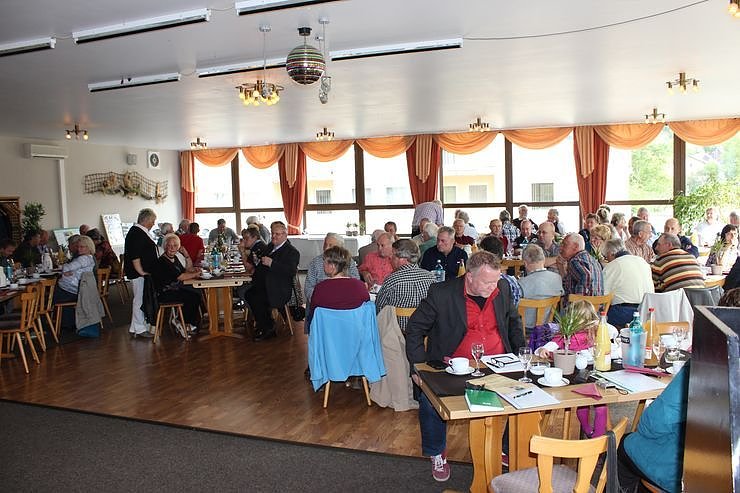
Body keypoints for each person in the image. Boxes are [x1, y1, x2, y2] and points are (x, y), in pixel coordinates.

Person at [406, 251, 524, 482]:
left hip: (498, 363)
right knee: (430, 401)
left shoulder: (503, 288)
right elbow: (415, 329)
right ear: (469, 276)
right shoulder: (442, 293)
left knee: (529, 396)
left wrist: (521, 355)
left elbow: (513, 322)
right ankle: (437, 452)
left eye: (496, 280)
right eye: (487, 282)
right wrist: (418, 368)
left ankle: (505, 448)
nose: (494, 286)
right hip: (455, 366)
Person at [534, 301, 618, 439]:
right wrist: (544, 349)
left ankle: (596, 437)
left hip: (591, 375)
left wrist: (601, 324)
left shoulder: (595, 331)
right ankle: (590, 432)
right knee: (589, 405)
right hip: (574, 378)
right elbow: (552, 344)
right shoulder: (567, 334)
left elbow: (613, 332)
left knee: (600, 405)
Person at [617, 361, 690, 493]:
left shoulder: (700, 367)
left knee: (626, 443)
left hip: (682, 477)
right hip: (721, 479)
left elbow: (650, 426)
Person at [244, 221, 300, 341]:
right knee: (248, 293)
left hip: (279, 289)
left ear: (285, 235)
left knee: (255, 297)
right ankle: (265, 323)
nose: (274, 236)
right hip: (266, 285)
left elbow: (290, 271)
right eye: (273, 233)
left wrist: (272, 263)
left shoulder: (291, 252)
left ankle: (267, 327)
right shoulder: (270, 246)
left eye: (277, 234)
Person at [375, 239, 435, 333]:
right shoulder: (431, 278)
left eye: (393, 255)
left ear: (403, 258)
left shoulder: (392, 280)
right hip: (426, 333)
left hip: (398, 334)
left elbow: (379, 308)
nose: (390, 258)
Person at [151, 233, 203, 338]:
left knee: (196, 292)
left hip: (174, 289)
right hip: (165, 293)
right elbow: (181, 277)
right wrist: (196, 274)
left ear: (178, 247)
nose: (172, 248)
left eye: (175, 246)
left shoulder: (174, 258)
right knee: (193, 296)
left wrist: (187, 256)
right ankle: (182, 322)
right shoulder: (163, 261)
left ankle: (186, 322)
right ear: (165, 247)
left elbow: (186, 270)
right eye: (169, 246)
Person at [304, 233, 361, 328]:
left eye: (330, 245)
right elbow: (308, 287)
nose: (326, 248)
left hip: (344, 305)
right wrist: (321, 301)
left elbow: (356, 280)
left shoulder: (348, 262)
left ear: (339, 248)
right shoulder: (315, 262)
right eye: (325, 244)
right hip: (321, 306)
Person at [601, 238, 654, 327]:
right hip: (647, 312)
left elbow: (603, 296)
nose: (607, 260)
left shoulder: (612, 265)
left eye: (606, 257)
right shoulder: (643, 261)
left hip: (624, 313)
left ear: (610, 253)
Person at [124, 208, 159, 338]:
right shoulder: (137, 233)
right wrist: (141, 272)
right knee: (139, 300)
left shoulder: (138, 232)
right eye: (153, 221)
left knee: (140, 299)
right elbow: (135, 255)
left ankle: (136, 326)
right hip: (139, 274)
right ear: (146, 220)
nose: (153, 224)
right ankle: (139, 328)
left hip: (142, 273)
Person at [309, 246, 369, 319]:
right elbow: (366, 313)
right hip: (354, 325)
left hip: (328, 325)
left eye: (325, 261)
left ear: (332, 266)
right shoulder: (360, 286)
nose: (323, 264)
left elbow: (313, 315)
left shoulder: (320, 288)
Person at [52, 235, 96, 331]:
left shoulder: (82, 259)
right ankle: (66, 321)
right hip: (80, 288)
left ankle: (61, 321)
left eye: (82, 247)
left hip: (72, 289)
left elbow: (67, 268)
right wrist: (71, 271)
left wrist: (67, 270)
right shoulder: (90, 259)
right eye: (78, 247)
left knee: (53, 295)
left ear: (88, 247)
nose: (79, 249)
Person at [517, 244, 563, 331]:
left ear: (525, 263)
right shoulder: (557, 278)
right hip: (547, 326)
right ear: (544, 260)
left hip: (525, 328)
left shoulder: (521, 284)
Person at [478, 236, 523, 306]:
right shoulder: (512, 282)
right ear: (501, 256)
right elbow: (515, 305)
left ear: (482, 256)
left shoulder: (474, 281)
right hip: (506, 312)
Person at [560, 233, 604, 300]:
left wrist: (578, 300)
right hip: (597, 305)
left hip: (583, 305)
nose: (561, 248)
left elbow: (586, 276)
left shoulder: (575, 260)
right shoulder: (593, 260)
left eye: (564, 245)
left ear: (575, 247)